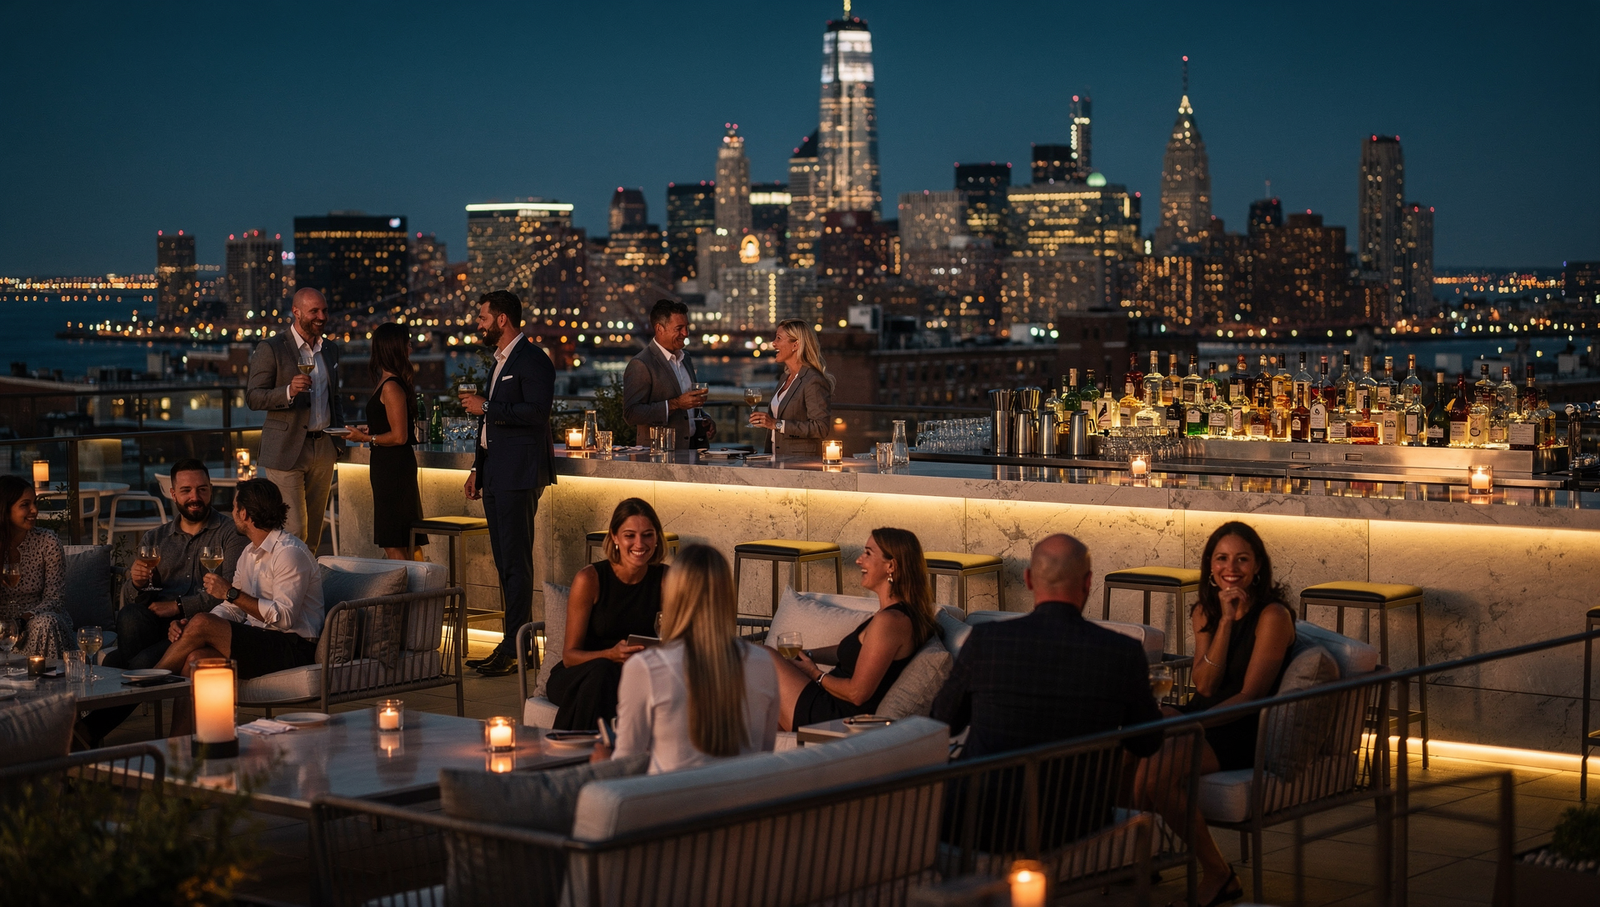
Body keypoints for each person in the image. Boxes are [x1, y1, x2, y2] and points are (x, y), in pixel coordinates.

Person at [1139, 521, 1297, 907]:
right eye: (1222, 559)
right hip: (1205, 712)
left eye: (1242, 559)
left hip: (1243, 726)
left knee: (1155, 775)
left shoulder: (1273, 616)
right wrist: (1225, 620)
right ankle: (1137, 855)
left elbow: (1250, 695)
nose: (1231, 568)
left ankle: (1219, 874)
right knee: (1128, 740)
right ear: (1210, 566)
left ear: (1257, 566)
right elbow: (1206, 687)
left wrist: (1191, 724)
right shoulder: (1205, 611)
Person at [931, 533, 1162, 761]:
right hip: (1081, 786)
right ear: (1088, 582)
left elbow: (942, 721)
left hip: (986, 785)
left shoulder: (986, 641)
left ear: (1028, 579)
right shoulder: (1122, 652)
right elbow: (1147, 742)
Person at [595, 544, 780, 774]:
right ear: (728, 596)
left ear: (673, 597)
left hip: (671, 796)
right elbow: (765, 755)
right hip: (743, 795)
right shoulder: (763, 663)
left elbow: (625, 767)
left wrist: (603, 762)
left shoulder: (646, 668)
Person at [457, 290, 557, 677]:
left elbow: (536, 413)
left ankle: (516, 648)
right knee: (505, 563)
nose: (478, 325)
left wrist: (486, 405)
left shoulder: (533, 359)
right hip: (496, 472)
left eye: (483, 318)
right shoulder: (499, 362)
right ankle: (516, 645)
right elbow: (490, 429)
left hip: (519, 473)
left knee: (515, 563)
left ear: (502, 320)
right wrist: (477, 468)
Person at [154, 479, 324, 683]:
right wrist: (192, 627)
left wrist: (230, 593)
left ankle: (148, 683)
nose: (232, 513)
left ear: (244, 514)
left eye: (234, 507)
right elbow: (233, 608)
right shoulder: (249, 552)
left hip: (294, 647)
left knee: (202, 622)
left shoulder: (289, 553)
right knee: (196, 660)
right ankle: (170, 697)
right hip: (261, 638)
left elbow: (284, 617)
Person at [768, 527, 936, 731]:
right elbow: (857, 652)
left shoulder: (891, 621)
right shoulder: (891, 615)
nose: (858, 560)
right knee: (761, 714)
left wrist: (815, 674)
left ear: (891, 566)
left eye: (868, 553)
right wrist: (808, 654)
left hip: (835, 714)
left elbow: (857, 694)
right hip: (830, 703)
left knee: (760, 656)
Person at [108, 459, 248, 669]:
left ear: (211, 490)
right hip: (159, 626)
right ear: (173, 494)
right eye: (186, 490)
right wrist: (137, 584)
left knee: (118, 662)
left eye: (202, 489)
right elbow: (131, 600)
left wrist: (179, 606)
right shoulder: (154, 538)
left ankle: (136, 673)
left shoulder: (231, 533)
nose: (195, 497)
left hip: (199, 627)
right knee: (129, 616)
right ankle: (141, 674)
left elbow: (230, 591)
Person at [546, 498, 667, 730]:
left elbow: (677, 639)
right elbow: (570, 657)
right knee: (603, 673)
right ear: (615, 537)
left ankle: (579, 746)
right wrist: (610, 655)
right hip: (579, 676)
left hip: (632, 676)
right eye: (630, 535)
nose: (639, 543)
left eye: (648, 535)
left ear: (657, 538)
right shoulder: (590, 579)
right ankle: (586, 746)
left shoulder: (666, 579)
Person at [246, 287, 345, 548]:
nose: (321, 316)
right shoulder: (271, 348)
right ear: (296, 312)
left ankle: (307, 575)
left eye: (324, 311)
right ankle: (284, 574)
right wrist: (288, 391)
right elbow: (254, 397)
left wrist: (338, 441)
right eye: (314, 311)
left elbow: (335, 397)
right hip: (286, 448)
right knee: (294, 529)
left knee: (314, 530)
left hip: (323, 447)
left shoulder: (330, 349)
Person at [345, 322, 427, 560]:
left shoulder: (390, 386)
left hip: (394, 469)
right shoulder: (388, 382)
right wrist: (373, 430)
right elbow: (391, 426)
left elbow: (400, 436)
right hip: (388, 467)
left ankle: (408, 584)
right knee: (398, 539)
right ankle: (413, 583)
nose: (410, 348)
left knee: (395, 541)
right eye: (407, 343)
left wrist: (365, 437)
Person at [622, 298, 712, 449]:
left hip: (694, 450)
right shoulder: (641, 364)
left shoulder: (685, 358)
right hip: (660, 453)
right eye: (679, 328)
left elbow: (688, 405)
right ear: (659, 329)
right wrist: (675, 404)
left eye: (687, 327)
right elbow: (631, 414)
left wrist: (703, 418)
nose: (686, 333)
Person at [0, 475, 72, 657]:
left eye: (34, 503)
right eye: (25, 505)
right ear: (5, 510)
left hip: (37, 622)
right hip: (2, 629)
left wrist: (22, 620)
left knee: (46, 623)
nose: (34, 510)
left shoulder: (47, 541)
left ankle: (49, 675)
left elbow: (55, 599)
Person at [747, 319, 833, 457]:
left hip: (800, 462)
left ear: (796, 344)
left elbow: (820, 428)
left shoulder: (813, 380)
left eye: (779, 338)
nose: (773, 343)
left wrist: (777, 424)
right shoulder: (785, 377)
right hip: (776, 459)